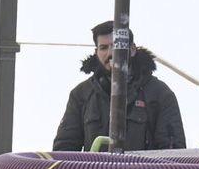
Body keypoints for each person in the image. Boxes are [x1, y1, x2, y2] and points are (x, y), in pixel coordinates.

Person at [53, 21, 186, 153]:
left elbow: (173, 153)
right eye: (103, 48)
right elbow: (64, 150)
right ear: (96, 52)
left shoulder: (159, 94)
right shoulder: (80, 94)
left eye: (116, 46)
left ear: (132, 49)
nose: (110, 53)